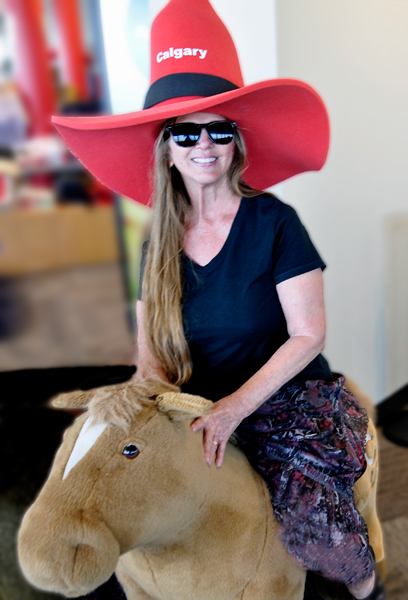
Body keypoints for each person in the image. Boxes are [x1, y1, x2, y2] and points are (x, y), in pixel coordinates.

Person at [52, 1, 380, 598]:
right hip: (194, 404)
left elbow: (309, 334)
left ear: (235, 141)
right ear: (167, 148)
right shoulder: (155, 243)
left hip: (284, 402)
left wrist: (233, 408)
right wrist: (152, 404)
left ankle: (367, 587)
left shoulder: (276, 222)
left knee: (316, 533)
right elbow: (150, 352)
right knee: (120, 489)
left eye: (219, 129)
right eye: (185, 131)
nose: (204, 144)